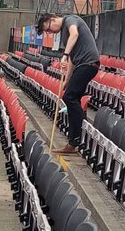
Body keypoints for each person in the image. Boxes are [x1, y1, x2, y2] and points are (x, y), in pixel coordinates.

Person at [36, 12, 101, 155]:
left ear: (52, 20)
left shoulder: (70, 20)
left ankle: (80, 132)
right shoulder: (65, 36)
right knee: (73, 98)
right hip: (81, 65)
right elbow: (72, 58)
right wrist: (67, 79)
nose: (49, 32)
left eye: (48, 29)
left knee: (69, 97)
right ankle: (74, 140)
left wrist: (64, 55)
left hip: (89, 63)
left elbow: (75, 34)